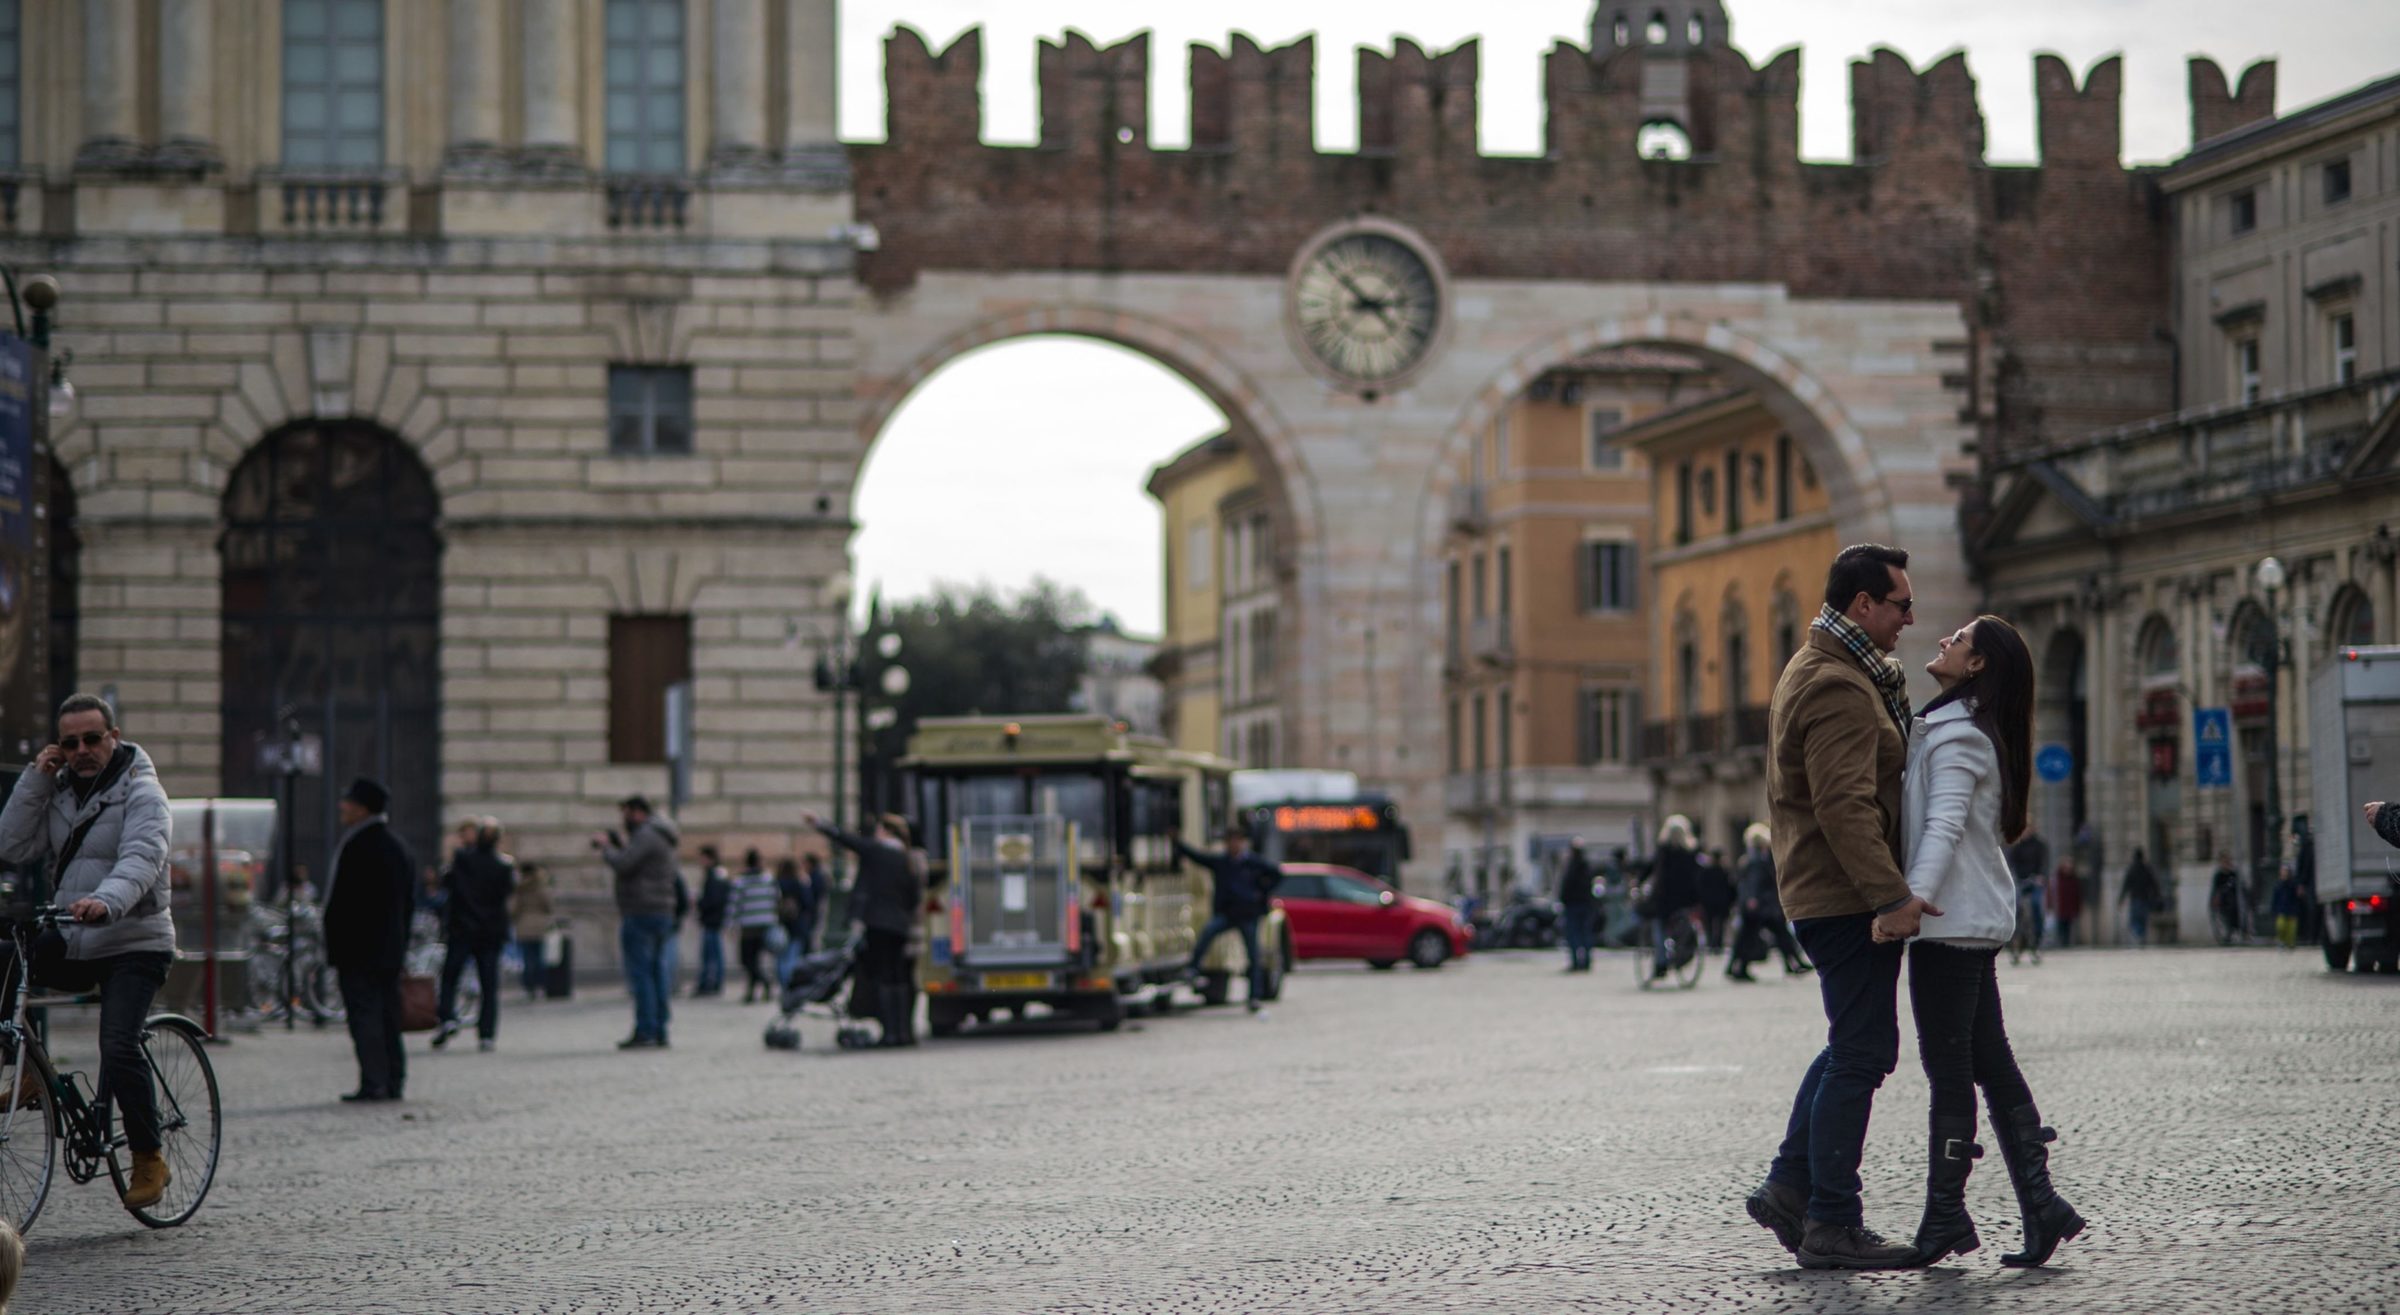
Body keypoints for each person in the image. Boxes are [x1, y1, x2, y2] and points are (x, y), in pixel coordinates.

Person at [1744, 544, 1937, 1271]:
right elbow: (1843, 805)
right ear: (1863, 604)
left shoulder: (1831, 666)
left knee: (1849, 1043)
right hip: (1844, 898)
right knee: (1863, 1051)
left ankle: (1792, 1184)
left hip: (1826, 894)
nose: (1909, 619)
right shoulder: (1838, 685)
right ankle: (1831, 1219)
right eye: (1899, 604)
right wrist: (1891, 895)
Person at [1888, 614, 2084, 1268]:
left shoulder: (1959, 737)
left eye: (1959, 638)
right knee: (1988, 1062)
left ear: (1977, 665)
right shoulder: (1960, 728)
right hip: (1966, 919)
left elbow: (1941, 827)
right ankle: (2041, 1202)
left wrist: (1910, 902)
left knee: (1951, 1071)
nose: (1944, 640)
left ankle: (1945, 1214)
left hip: (1949, 921)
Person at [0, 694, 178, 1207]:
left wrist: (105, 902)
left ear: (114, 737)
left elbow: (143, 858)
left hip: (134, 941)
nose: (81, 750)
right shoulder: (55, 791)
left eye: (92, 739)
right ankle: (28, 1070)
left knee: (118, 1045)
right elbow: (12, 847)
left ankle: (148, 1156)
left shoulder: (145, 792)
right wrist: (35, 778)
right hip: (78, 936)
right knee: (6, 968)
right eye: (70, 742)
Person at [322, 776, 416, 1103]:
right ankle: (392, 1079)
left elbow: (349, 904)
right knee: (388, 1015)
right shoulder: (395, 845)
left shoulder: (361, 845)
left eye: (347, 801)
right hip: (387, 949)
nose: (342, 807)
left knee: (365, 1017)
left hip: (360, 950)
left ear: (362, 808)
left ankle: (374, 1081)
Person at [807, 812, 922, 1046]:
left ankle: (889, 1032)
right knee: (899, 976)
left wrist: (820, 824)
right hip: (899, 925)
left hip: (878, 923)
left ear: (885, 831)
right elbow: (914, 896)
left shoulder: (877, 851)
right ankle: (903, 1032)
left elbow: (849, 840)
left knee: (882, 976)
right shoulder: (906, 858)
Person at [596, 795, 682, 1049]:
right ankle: (659, 1028)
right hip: (660, 910)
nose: (623, 820)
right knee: (656, 971)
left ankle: (646, 1029)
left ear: (638, 812)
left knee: (642, 973)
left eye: (625, 814)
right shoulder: (659, 835)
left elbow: (624, 864)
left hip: (642, 910)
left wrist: (606, 849)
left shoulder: (646, 834)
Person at [1173, 824, 1285, 1013]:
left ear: (1241, 843)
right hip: (1227, 913)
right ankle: (1193, 968)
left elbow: (1277, 874)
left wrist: (1261, 893)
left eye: (1236, 841)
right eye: (1229, 842)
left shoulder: (1253, 863)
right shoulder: (1223, 862)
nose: (1233, 845)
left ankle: (1254, 997)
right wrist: (1178, 844)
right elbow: (1198, 858)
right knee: (1207, 932)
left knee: (1253, 957)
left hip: (1247, 914)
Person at [434, 817, 516, 1051]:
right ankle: (487, 1034)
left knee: (450, 977)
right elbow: (505, 895)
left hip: (463, 928)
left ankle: (447, 1017)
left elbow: (448, 884)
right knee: (489, 985)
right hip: (490, 931)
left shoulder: (462, 859)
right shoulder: (504, 865)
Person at [1729, 823, 1810, 981]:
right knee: (1772, 934)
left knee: (1750, 937)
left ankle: (1792, 963)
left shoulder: (1750, 858)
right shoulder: (1757, 860)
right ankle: (1793, 963)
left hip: (1757, 905)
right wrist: (1754, 899)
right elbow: (1754, 881)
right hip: (1761, 905)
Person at [1644, 816, 1704, 979]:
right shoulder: (1691, 851)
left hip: (1665, 899)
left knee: (1659, 928)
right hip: (1685, 899)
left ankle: (1661, 963)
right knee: (1683, 927)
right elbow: (1697, 876)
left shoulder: (1664, 850)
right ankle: (1680, 955)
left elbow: (1653, 871)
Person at [732, 849, 783, 1003]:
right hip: (765, 925)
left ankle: (757, 988)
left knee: (747, 960)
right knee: (755, 960)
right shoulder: (768, 879)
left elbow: (734, 905)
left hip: (748, 927)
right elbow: (777, 899)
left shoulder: (740, 882)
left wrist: (730, 924)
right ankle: (759, 986)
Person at [511, 861, 555, 1000]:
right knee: (540, 958)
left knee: (527, 959)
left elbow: (514, 909)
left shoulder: (519, 888)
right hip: (540, 926)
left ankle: (528, 987)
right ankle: (540, 986)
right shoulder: (541, 886)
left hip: (523, 925)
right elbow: (548, 905)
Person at [693, 844, 731, 997]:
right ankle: (713, 982)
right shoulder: (719, 874)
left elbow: (713, 899)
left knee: (711, 954)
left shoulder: (714, 875)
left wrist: (700, 903)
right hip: (715, 919)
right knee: (714, 953)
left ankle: (710, 983)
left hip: (712, 920)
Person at [1557, 840, 1598, 972]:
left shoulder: (1571, 866)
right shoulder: (1587, 867)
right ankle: (1586, 961)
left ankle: (1576, 962)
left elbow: (1565, 886)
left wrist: (1563, 898)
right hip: (1585, 904)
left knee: (1573, 934)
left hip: (1573, 905)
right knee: (1585, 934)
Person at [2117, 849, 2163, 947]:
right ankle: (2141, 937)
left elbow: (2125, 886)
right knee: (2142, 920)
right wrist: (2157, 896)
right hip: (2144, 899)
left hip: (2135, 900)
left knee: (2134, 920)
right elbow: (2154, 885)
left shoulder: (2131, 870)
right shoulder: (2146, 869)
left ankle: (2138, 936)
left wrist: (2120, 900)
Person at [1699, 846, 1735, 950]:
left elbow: (1701, 886)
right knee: (1720, 923)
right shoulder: (1724, 871)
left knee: (1709, 922)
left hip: (1709, 901)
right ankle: (1718, 942)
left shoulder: (1706, 872)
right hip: (1722, 901)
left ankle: (1711, 942)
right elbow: (1731, 887)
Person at [2048, 859, 2083, 948]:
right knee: (2060, 927)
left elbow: (2077, 895)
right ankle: (2060, 943)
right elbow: (2051, 893)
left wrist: (2077, 908)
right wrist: (2050, 905)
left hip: (2069, 909)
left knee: (2068, 927)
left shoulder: (2073, 879)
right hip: (2060, 908)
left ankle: (2066, 944)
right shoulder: (2057, 879)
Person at [2270, 863, 2306, 950]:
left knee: (2291, 930)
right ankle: (2281, 941)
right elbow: (2275, 898)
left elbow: (2297, 898)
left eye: (2286, 871)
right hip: (2281, 910)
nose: (2284, 873)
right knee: (2281, 926)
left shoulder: (2293, 884)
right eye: (2283, 871)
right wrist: (2274, 909)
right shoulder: (2278, 885)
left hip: (2292, 911)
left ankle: (2290, 944)